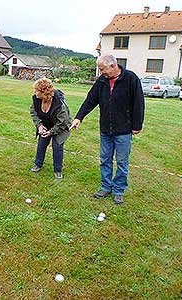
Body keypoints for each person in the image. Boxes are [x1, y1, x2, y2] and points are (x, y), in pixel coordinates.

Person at [70, 54, 145, 205]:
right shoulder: (102, 81)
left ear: (112, 66)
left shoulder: (131, 79)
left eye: (102, 69)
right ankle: (106, 187)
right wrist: (79, 117)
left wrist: (137, 125)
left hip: (123, 130)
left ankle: (118, 190)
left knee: (122, 162)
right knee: (105, 160)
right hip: (105, 129)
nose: (101, 72)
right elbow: (90, 100)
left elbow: (139, 103)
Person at [30, 77, 71, 179]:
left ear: (44, 92)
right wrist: (39, 125)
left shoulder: (59, 104)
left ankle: (58, 170)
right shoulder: (37, 99)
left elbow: (63, 122)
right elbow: (33, 112)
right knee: (41, 143)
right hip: (46, 124)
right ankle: (38, 164)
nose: (34, 92)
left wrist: (51, 132)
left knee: (57, 146)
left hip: (60, 126)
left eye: (36, 90)